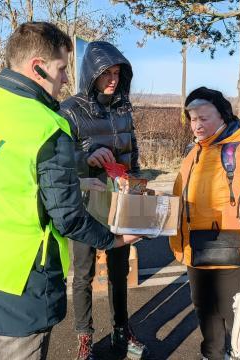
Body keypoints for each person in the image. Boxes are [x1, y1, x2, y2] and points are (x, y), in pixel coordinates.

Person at [0, 22, 140, 360]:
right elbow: (69, 219)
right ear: (37, 66)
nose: (64, 79)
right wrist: (115, 240)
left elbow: (8, 174)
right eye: (61, 69)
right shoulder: (46, 125)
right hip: (22, 276)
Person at [58, 41, 145, 360]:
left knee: (119, 269)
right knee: (83, 273)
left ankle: (122, 330)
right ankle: (84, 337)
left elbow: (132, 151)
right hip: (85, 201)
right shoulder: (69, 109)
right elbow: (60, 161)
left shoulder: (124, 107)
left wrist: (136, 188)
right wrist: (87, 158)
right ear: (90, 74)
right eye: (105, 73)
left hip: (118, 200)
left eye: (117, 72)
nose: (112, 79)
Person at [169, 87, 240, 360]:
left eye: (204, 117)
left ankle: (238, 355)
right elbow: (180, 201)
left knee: (236, 319)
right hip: (197, 252)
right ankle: (212, 355)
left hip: (231, 254)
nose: (197, 125)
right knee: (205, 312)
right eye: (192, 119)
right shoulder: (193, 154)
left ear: (223, 116)